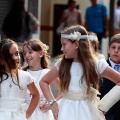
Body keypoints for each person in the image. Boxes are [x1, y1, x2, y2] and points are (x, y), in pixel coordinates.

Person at [40, 25, 120, 120]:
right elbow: (44, 81)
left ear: (76, 44)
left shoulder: (95, 64)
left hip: (87, 111)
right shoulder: (62, 64)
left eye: (64, 44)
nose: (61, 49)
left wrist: (104, 105)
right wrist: (52, 103)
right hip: (66, 110)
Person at [0, 39, 40, 120]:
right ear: (2, 60)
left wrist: (28, 114)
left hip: (19, 116)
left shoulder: (25, 76)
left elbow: (36, 95)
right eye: (10, 55)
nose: (15, 58)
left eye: (17, 53)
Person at [22, 39, 62, 120]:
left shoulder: (47, 73)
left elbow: (64, 89)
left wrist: (53, 102)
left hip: (43, 114)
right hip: (25, 112)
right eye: (24, 53)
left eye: (30, 52)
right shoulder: (22, 73)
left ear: (40, 53)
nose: (26, 56)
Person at [99, 34, 120, 120]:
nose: (116, 51)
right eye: (113, 47)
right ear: (108, 49)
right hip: (105, 115)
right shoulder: (100, 68)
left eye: (119, 48)